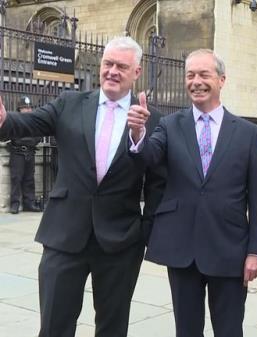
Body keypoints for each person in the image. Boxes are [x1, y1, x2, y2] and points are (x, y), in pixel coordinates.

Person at [0, 36, 164, 337]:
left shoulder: (153, 121)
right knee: (53, 325)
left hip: (120, 241)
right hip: (64, 235)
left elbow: (158, 183)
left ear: (137, 72)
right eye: (108, 64)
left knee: (112, 328)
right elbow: (30, 123)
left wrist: (145, 232)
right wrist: (3, 120)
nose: (112, 71)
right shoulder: (70, 104)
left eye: (121, 66)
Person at [127, 49, 257, 337]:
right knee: (187, 330)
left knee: (229, 329)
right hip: (182, 248)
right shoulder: (169, 125)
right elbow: (149, 156)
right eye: (190, 75)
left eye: (204, 74)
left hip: (229, 249)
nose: (196, 81)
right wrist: (138, 134)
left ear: (221, 80)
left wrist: (256, 251)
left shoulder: (246, 133)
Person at [8, 95, 42, 214]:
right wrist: (28, 140)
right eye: (25, 108)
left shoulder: (34, 122)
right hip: (18, 153)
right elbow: (14, 139)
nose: (28, 110)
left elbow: (38, 137)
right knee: (16, 178)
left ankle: (29, 203)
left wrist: (26, 140)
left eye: (29, 108)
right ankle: (15, 205)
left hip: (30, 153)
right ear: (20, 109)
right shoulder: (15, 121)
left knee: (29, 179)